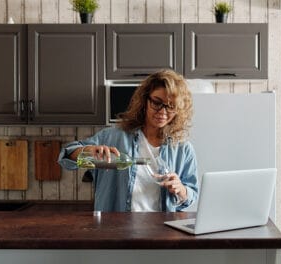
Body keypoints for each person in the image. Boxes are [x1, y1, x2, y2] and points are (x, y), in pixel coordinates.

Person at [58, 69, 198, 212]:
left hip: (160, 230)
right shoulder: (113, 136)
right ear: (145, 101)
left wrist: (182, 190)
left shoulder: (183, 149)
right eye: (157, 103)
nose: (162, 112)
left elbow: (192, 194)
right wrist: (87, 151)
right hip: (115, 230)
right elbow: (67, 157)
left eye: (171, 106)